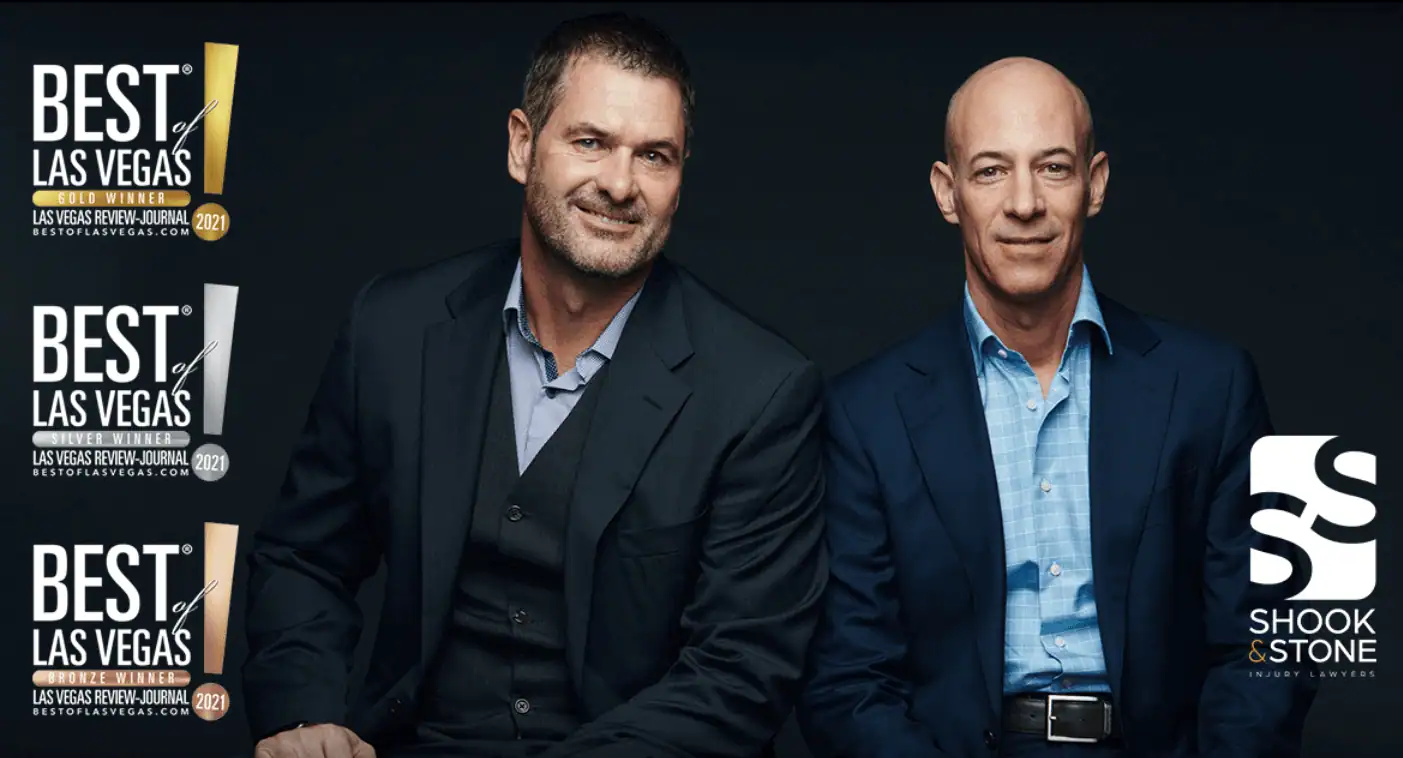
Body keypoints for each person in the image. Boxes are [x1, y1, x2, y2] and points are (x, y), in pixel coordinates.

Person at [243, 13, 827, 758]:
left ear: (679, 181)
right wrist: (303, 716)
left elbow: (740, 672)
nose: (619, 184)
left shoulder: (759, 392)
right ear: (523, 144)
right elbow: (302, 559)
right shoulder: (394, 328)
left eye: (654, 156)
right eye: (589, 142)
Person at [796, 57, 1317, 757]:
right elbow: (844, 682)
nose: (1022, 203)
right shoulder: (860, 413)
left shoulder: (1217, 383)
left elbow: (1285, 639)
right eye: (989, 171)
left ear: (1094, 184)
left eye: (1052, 168)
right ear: (946, 192)